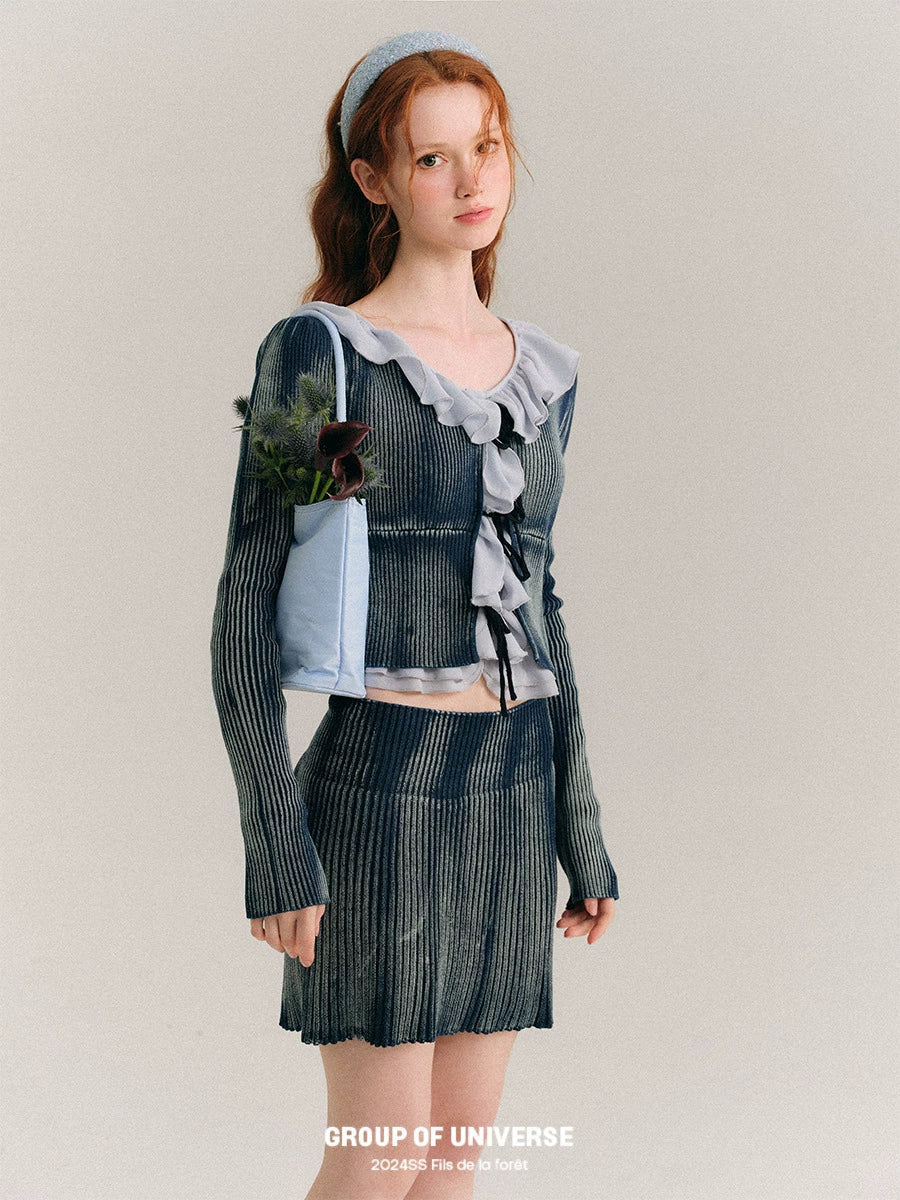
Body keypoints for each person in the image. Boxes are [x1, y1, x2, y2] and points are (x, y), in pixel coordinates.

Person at [210, 30, 620, 1200]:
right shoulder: (325, 359)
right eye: (432, 158)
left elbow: (538, 602)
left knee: (450, 1162)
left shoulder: (542, 374)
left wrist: (581, 828)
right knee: (378, 1161)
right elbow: (245, 602)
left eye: (485, 147)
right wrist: (274, 842)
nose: (472, 180)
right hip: (380, 788)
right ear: (376, 180)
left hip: (513, 786)